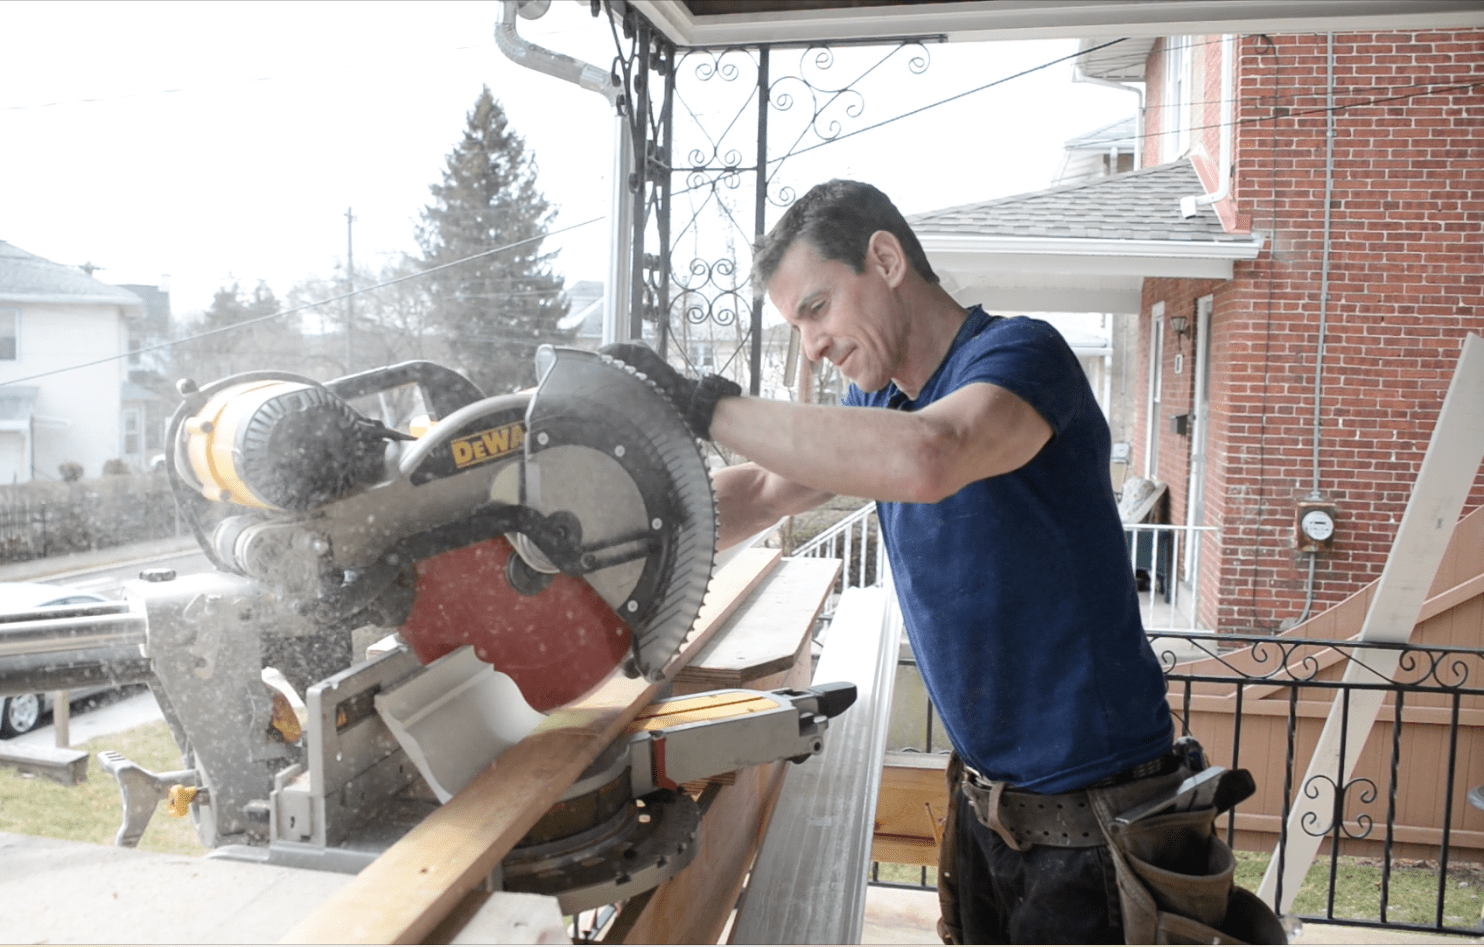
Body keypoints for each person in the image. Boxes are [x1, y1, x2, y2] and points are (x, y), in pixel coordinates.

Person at [602, 179, 1176, 944]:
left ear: (885, 258)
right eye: (796, 325)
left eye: (817, 308)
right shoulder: (881, 408)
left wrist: (701, 405)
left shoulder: (1020, 357)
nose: (812, 344)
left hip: (1097, 824)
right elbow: (765, 491)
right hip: (987, 814)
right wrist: (608, 533)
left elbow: (933, 456)